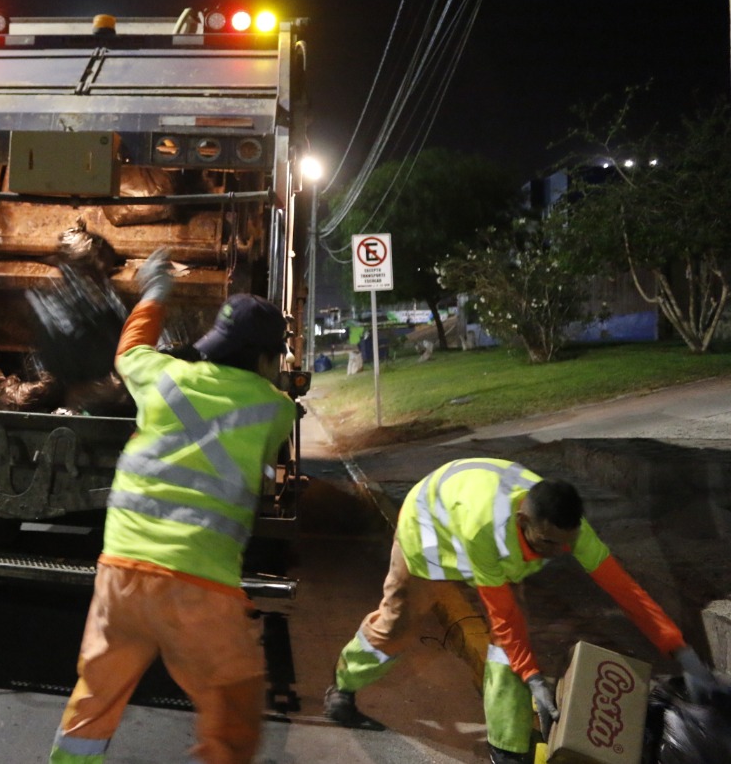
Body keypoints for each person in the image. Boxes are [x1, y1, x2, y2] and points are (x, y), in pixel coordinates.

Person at [49, 249, 298, 764]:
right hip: (197, 587)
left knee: (95, 697)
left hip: (119, 576)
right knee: (232, 706)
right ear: (268, 359)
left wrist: (155, 291)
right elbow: (272, 400)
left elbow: (129, 353)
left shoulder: (161, 378)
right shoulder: (273, 409)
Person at [322, 458, 718, 764]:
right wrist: (534, 678)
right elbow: (502, 616)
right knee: (396, 627)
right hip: (430, 538)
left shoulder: (564, 529)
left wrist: (678, 649)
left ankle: (506, 749)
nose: (559, 553)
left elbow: (623, 587)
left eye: (566, 543)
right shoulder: (486, 529)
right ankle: (343, 686)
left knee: (509, 650)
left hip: (491, 540)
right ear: (523, 521)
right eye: (547, 543)